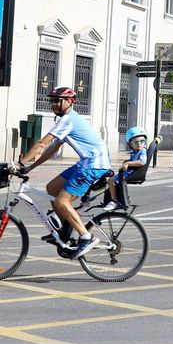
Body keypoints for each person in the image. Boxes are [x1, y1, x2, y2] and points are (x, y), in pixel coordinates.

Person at [15, 87, 111, 259]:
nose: (53, 104)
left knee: (61, 201)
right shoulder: (66, 120)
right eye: (52, 100)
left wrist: (21, 163)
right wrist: (30, 167)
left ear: (69, 102)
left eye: (57, 100)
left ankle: (86, 237)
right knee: (52, 187)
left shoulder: (67, 119)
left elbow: (42, 143)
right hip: (86, 162)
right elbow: (52, 149)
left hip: (93, 164)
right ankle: (65, 232)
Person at [103, 127, 150, 211]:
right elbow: (134, 160)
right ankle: (116, 198)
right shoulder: (135, 152)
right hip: (129, 172)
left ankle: (114, 201)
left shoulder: (142, 151)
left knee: (111, 180)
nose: (139, 144)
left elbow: (142, 162)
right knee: (111, 180)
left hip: (130, 173)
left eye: (142, 141)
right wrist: (127, 161)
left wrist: (128, 163)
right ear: (130, 144)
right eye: (136, 142)